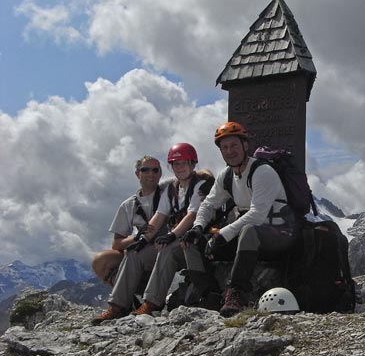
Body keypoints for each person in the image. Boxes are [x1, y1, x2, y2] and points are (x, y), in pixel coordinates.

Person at [181, 121, 297, 317]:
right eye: (224, 147)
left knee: (249, 229)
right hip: (247, 237)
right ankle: (209, 295)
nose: (230, 151)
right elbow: (209, 204)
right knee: (190, 242)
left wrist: (222, 235)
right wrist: (198, 227)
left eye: (234, 145)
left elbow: (258, 215)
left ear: (245, 145)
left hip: (278, 233)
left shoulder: (262, 171)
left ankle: (236, 293)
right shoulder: (226, 175)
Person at [129, 143, 214, 316]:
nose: (180, 167)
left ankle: (151, 303)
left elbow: (192, 215)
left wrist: (171, 235)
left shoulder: (201, 186)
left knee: (167, 250)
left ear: (193, 164)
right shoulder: (171, 189)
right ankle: (119, 304)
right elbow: (159, 216)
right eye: (176, 164)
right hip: (181, 238)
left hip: (200, 237)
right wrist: (144, 239)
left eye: (184, 163)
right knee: (135, 254)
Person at [90, 155, 167, 325]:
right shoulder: (128, 205)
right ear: (137, 174)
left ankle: (117, 306)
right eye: (145, 170)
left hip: (163, 246)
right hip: (142, 248)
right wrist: (137, 237)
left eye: (155, 170)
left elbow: (195, 176)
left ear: (161, 173)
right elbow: (117, 243)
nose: (151, 174)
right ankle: (129, 299)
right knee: (100, 260)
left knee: (134, 254)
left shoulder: (169, 191)